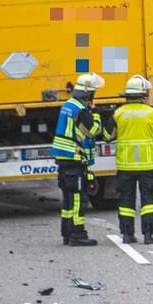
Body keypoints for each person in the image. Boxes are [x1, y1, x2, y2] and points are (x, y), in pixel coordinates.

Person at [53, 73, 108, 245]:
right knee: (78, 200)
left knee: (69, 200)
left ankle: (67, 233)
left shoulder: (68, 104)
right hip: (74, 159)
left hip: (65, 159)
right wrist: (96, 113)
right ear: (89, 94)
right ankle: (77, 235)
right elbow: (92, 130)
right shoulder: (81, 110)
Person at [113, 75, 153, 244]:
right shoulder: (152, 112)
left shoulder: (118, 114)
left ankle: (127, 235)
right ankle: (149, 235)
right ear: (143, 95)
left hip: (125, 166)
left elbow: (107, 136)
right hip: (148, 165)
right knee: (149, 201)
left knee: (126, 201)